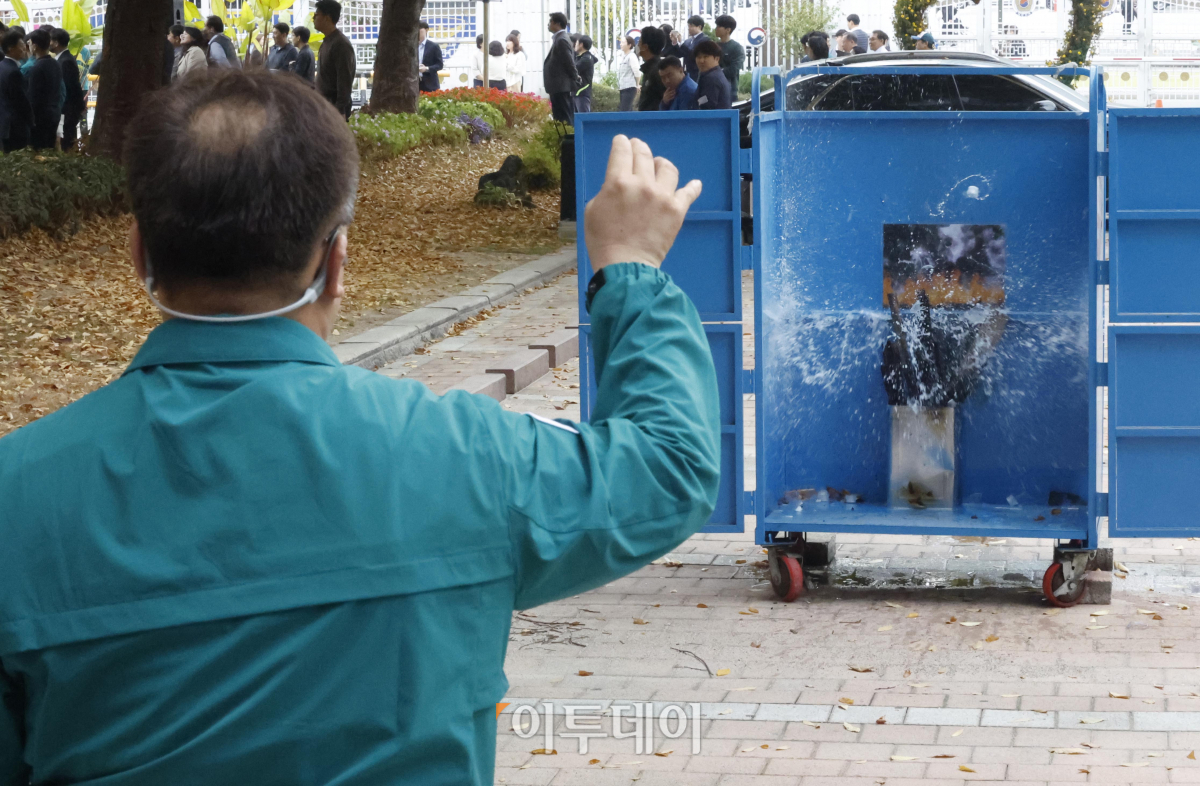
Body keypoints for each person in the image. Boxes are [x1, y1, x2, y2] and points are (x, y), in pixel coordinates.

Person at [0, 68, 717, 786]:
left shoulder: (18, 495)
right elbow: (666, 466)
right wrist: (629, 269)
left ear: (139, 255)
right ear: (336, 261)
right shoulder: (464, 458)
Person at [314, 0, 355, 119]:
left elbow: (344, 79)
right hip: (324, 105)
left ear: (327, 18)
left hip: (334, 109)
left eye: (317, 14)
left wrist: (340, 110)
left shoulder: (340, 44)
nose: (313, 18)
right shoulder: (327, 41)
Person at [26, 28, 61, 150]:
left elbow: (34, 97)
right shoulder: (55, 64)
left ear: (35, 46)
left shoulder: (37, 68)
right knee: (49, 149)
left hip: (40, 117)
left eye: (29, 43)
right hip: (54, 113)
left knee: (39, 151)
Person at [50, 29, 84, 150]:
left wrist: (79, 106)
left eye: (50, 40)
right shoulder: (62, 59)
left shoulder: (65, 61)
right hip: (67, 108)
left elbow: (72, 86)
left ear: (56, 43)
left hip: (68, 109)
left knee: (67, 140)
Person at [543, 12, 578, 125]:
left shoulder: (561, 40)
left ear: (556, 23)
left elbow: (569, 62)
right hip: (558, 86)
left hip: (561, 86)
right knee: (560, 116)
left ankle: (568, 140)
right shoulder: (560, 38)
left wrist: (575, 76)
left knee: (564, 117)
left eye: (550, 22)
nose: (548, 25)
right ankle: (564, 139)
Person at [0, 29, 31, 152]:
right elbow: (21, 101)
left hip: (5, 125)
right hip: (16, 127)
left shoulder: (2, 65)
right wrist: (31, 121)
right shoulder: (14, 72)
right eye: (21, 46)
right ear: (10, 49)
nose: (24, 49)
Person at [693, 39, 730, 110]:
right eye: (699, 57)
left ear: (717, 59)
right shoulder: (716, 74)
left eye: (705, 57)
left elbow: (707, 104)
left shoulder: (711, 78)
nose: (701, 61)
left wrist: (696, 101)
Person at [636, 25, 666, 111]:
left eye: (639, 42)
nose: (637, 45)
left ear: (645, 47)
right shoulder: (649, 69)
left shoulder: (658, 71)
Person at [713, 14, 743, 97]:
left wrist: (715, 72)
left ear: (728, 30)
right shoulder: (713, 46)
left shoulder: (737, 48)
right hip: (712, 88)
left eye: (719, 26)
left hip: (729, 91)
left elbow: (734, 69)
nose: (716, 29)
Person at [680, 14, 708, 82]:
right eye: (688, 26)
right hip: (687, 72)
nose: (689, 28)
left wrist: (680, 43)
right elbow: (680, 53)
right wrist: (675, 43)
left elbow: (694, 54)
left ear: (699, 27)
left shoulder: (704, 39)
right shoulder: (688, 41)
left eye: (691, 26)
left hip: (697, 73)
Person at [616, 34, 640, 111]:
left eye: (623, 42)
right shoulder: (623, 56)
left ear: (629, 45)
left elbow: (637, 72)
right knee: (627, 109)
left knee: (625, 110)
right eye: (621, 42)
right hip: (623, 87)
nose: (621, 44)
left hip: (629, 87)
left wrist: (637, 84)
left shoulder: (632, 56)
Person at [573, 33, 596, 113]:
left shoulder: (586, 59)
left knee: (583, 117)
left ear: (581, 45)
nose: (575, 45)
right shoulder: (580, 57)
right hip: (577, 92)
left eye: (576, 43)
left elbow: (574, 69)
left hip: (582, 92)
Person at [418, 21, 443, 92]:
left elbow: (439, 65)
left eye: (419, 29)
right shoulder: (410, 46)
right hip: (414, 83)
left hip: (430, 83)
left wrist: (426, 68)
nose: (417, 31)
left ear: (426, 30)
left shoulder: (433, 46)